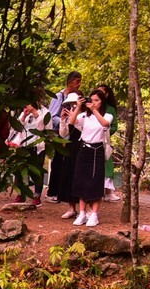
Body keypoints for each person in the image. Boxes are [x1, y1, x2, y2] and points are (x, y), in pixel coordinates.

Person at [69, 89, 114, 227]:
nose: (93, 103)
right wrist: (78, 106)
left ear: (102, 102)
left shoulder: (107, 115)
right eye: (92, 100)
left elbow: (105, 124)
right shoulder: (84, 116)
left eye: (97, 100)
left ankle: (94, 214)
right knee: (81, 180)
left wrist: (94, 110)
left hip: (97, 150)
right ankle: (82, 213)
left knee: (95, 182)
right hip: (84, 149)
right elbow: (72, 122)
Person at [45, 71, 81, 202]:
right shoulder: (58, 97)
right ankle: (52, 191)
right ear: (70, 81)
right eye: (77, 81)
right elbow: (51, 116)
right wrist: (64, 120)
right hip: (58, 133)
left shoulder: (76, 96)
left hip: (73, 133)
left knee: (68, 163)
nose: (79, 84)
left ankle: (63, 190)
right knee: (58, 161)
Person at [5, 100, 49, 204]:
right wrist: (24, 115)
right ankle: (21, 194)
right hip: (23, 144)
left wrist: (34, 112)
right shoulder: (25, 111)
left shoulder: (45, 112)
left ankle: (37, 195)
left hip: (37, 145)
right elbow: (18, 126)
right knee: (19, 170)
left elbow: (41, 127)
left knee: (37, 171)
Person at [50, 92, 82, 219]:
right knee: (69, 176)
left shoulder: (85, 116)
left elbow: (85, 130)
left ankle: (86, 209)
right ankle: (71, 208)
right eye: (69, 105)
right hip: (70, 148)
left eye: (74, 105)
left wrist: (75, 118)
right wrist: (63, 120)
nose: (72, 107)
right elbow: (64, 135)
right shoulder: (68, 117)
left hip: (82, 147)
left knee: (81, 177)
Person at [95, 84, 120, 201]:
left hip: (104, 140)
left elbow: (114, 126)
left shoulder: (110, 109)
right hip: (92, 140)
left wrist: (106, 133)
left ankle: (108, 191)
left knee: (107, 164)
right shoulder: (91, 108)